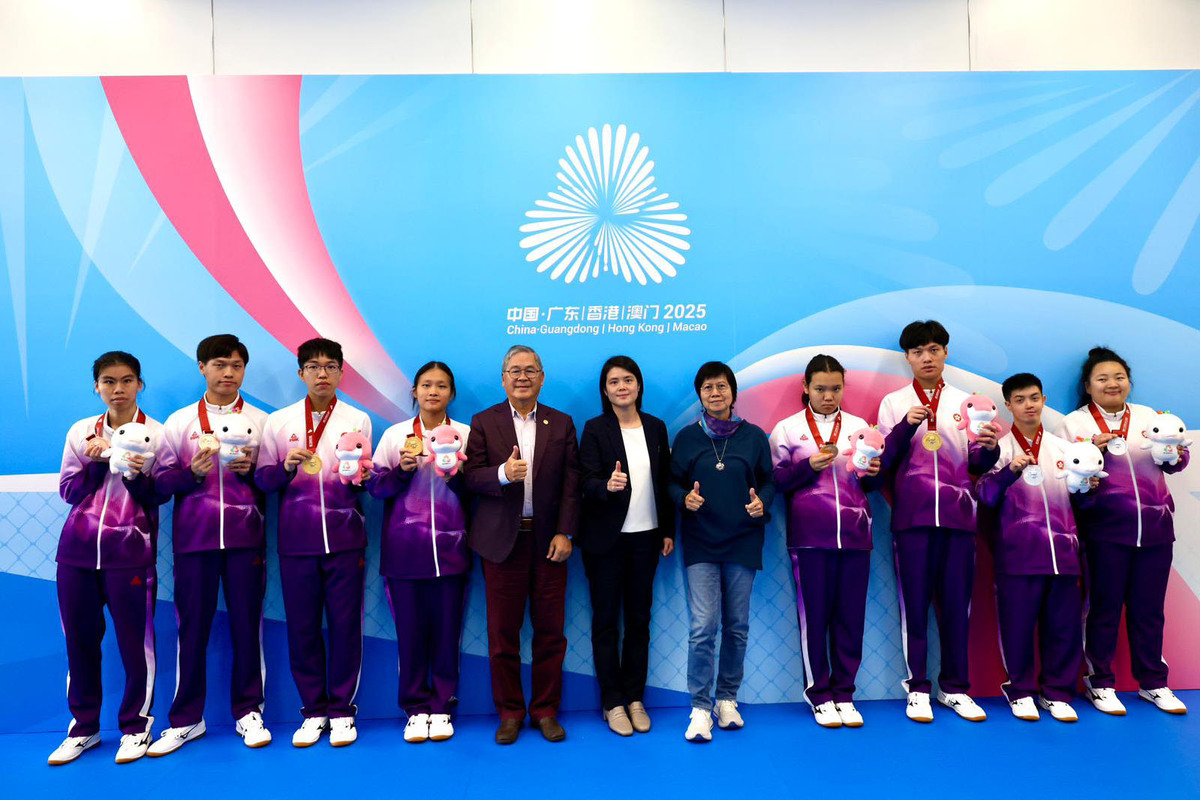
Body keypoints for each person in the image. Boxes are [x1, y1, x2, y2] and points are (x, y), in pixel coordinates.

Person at [148, 334, 271, 755]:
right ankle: (186, 719)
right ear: (202, 367)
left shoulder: (262, 421)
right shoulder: (179, 422)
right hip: (194, 542)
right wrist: (192, 473)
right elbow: (160, 482)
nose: (228, 373)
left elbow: (275, 481)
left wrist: (254, 470)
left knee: (246, 627)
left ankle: (249, 711)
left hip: (246, 540)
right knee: (192, 629)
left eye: (236, 365)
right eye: (220, 364)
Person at [48, 351, 168, 766]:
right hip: (76, 555)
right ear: (97, 387)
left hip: (130, 556)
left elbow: (160, 494)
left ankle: (136, 727)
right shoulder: (81, 432)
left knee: (137, 646)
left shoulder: (157, 434)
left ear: (140, 384)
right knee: (79, 643)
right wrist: (99, 461)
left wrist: (130, 469)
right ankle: (84, 729)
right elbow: (68, 490)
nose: (118, 389)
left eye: (127, 380)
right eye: (109, 381)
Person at [876, 320, 999, 723]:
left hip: (959, 519)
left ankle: (955, 688)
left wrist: (990, 449)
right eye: (917, 352)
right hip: (911, 521)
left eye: (933, 349)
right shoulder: (894, 403)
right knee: (914, 608)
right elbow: (881, 462)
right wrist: (905, 426)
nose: (926, 358)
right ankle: (917, 689)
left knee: (956, 608)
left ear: (945, 352)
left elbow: (979, 464)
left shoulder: (968, 402)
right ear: (907, 358)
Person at [1059, 347, 1190, 716]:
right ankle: (1099, 682)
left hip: (1156, 529)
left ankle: (1153, 682)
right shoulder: (1073, 426)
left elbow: (1175, 461)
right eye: (1102, 379)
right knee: (1104, 609)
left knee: (1149, 611)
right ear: (1088, 386)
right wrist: (1089, 451)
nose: (1112, 384)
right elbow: (1064, 478)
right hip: (1104, 533)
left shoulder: (1149, 417)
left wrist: (1176, 456)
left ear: (1129, 382)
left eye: (1119, 377)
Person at [256, 338, 373, 747]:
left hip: (346, 541)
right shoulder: (280, 421)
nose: (322, 374)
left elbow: (363, 480)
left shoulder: (357, 419)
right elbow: (263, 480)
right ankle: (313, 710)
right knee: (302, 629)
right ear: (300, 372)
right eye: (313, 366)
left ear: (341, 372)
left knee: (345, 628)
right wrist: (285, 469)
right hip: (297, 543)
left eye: (330, 366)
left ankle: (341, 710)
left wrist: (360, 476)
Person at [464, 345, 580, 744]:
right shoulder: (484, 421)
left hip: (549, 543)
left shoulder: (561, 423)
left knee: (551, 633)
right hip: (502, 545)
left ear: (542, 378)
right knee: (503, 635)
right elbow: (470, 477)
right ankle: (510, 712)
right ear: (503, 379)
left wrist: (566, 532)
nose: (522, 377)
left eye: (530, 370)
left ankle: (545, 710)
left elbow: (572, 483)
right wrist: (502, 473)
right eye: (514, 370)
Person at [769, 354, 883, 729]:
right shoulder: (787, 429)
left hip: (856, 536)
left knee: (851, 619)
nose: (828, 396)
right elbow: (776, 482)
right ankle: (819, 695)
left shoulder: (859, 427)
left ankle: (845, 693)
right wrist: (807, 467)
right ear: (806, 387)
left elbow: (871, 483)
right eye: (820, 388)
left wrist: (873, 473)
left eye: (835, 388)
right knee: (814, 620)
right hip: (809, 539)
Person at [669, 361, 775, 742]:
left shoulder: (754, 437)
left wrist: (762, 502)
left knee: (737, 625)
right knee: (703, 627)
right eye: (708, 388)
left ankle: (727, 699)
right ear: (700, 395)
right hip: (701, 541)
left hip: (743, 540)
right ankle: (700, 706)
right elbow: (671, 483)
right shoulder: (687, 438)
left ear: (733, 393)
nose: (715, 393)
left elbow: (769, 481)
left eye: (721, 386)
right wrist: (684, 498)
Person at [369, 361, 471, 744]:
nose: (433, 392)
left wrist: (456, 477)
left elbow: (479, 492)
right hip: (404, 554)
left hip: (452, 552)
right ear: (414, 391)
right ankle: (415, 708)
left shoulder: (466, 434)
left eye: (441, 386)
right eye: (426, 385)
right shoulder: (395, 435)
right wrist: (401, 470)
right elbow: (375, 488)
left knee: (447, 635)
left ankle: (442, 706)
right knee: (410, 637)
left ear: (451, 393)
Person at [976, 373, 1085, 723]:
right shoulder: (999, 450)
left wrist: (1090, 488)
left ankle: (1057, 693)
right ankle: (1021, 691)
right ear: (1008, 405)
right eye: (1020, 400)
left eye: (1034, 398)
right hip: (1018, 558)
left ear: (1044, 400)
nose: (1029, 405)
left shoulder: (1065, 449)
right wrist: (1009, 471)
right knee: (1017, 628)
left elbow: (1082, 502)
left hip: (1064, 556)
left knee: (1063, 629)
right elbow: (985, 496)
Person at [578, 356, 674, 736]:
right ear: (605, 390)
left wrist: (667, 530)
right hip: (606, 541)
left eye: (628, 380)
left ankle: (635, 698)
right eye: (614, 381)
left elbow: (664, 482)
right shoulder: (595, 428)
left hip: (646, 539)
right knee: (606, 622)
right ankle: (613, 702)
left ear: (639, 386)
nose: (622, 387)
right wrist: (606, 486)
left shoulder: (656, 427)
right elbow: (585, 480)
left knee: (638, 621)